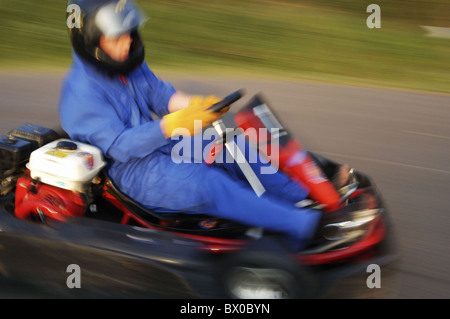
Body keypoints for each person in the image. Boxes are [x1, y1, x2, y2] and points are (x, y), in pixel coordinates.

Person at [59, 0, 326, 250]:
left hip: (163, 145)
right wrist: (170, 126)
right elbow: (120, 146)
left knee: (231, 145)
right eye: (117, 37)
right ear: (90, 40)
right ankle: (305, 226)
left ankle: (300, 199)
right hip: (131, 172)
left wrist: (198, 105)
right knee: (208, 183)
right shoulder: (81, 94)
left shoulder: (126, 63)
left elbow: (162, 96)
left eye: (129, 32)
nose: (128, 42)